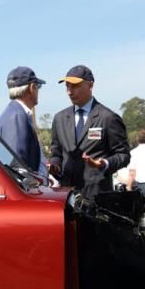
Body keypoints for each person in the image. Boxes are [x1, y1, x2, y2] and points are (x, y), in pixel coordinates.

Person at [48, 65, 130, 198]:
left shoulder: (108, 118)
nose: (70, 91)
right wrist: (55, 167)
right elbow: (56, 153)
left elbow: (123, 155)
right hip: (67, 196)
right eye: (67, 86)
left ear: (90, 85)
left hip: (97, 197)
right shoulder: (59, 118)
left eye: (75, 86)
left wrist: (103, 163)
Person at [0, 66, 46, 176]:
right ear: (32, 88)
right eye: (38, 86)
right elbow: (17, 170)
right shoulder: (17, 117)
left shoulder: (14, 113)